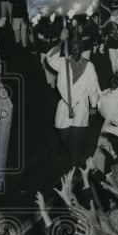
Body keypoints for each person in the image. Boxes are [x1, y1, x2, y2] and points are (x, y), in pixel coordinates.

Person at [45, 35, 101, 168]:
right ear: (70, 50)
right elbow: (50, 58)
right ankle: (76, 154)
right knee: (63, 135)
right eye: (73, 49)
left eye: (78, 49)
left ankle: (73, 167)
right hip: (65, 105)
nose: (76, 51)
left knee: (76, 139)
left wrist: (94, 106)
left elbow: (93, 88)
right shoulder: (63, 63)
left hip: (81, 106)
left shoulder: (89, 66)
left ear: (81, 50)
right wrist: (61, 40)